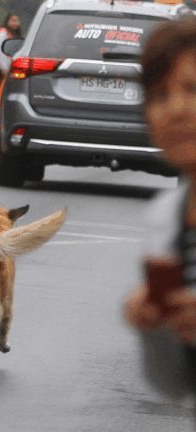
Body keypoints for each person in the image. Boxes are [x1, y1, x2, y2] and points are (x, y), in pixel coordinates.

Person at [124, 19, 196, 404]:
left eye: (193, 89)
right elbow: (175, 384)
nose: (176, 109)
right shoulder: (167, 216)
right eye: (160, 96)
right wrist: (153, 328)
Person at [0, 13, 21, 96]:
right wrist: (3, 68)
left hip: (9, 68)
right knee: (1, 93)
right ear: (7, 21)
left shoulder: (14, 34)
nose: (16, 23)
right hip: (1, 68)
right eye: (13, 21)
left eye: (17, 21)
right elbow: (0, 52)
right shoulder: (3, 33)